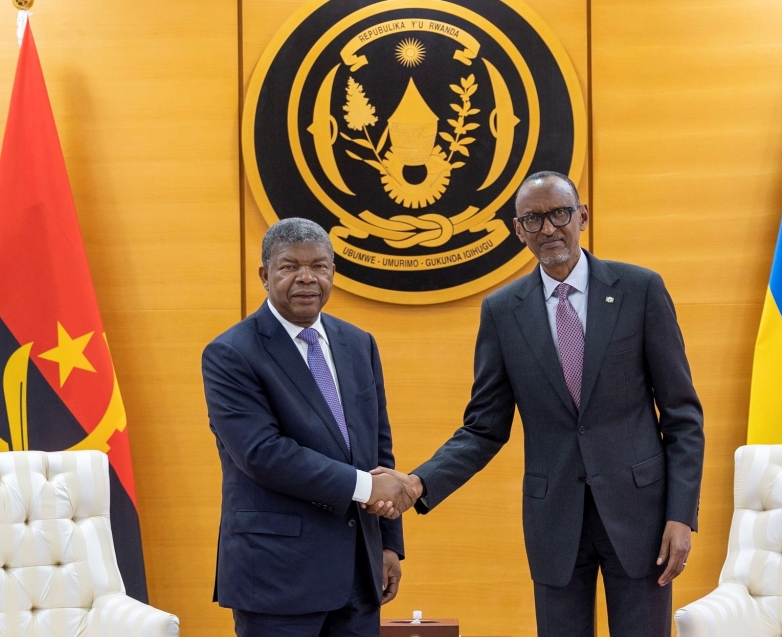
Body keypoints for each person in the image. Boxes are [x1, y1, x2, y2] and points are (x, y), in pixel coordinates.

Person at [378, 171, 704, 637]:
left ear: (582, 217)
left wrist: (681, 515)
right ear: (518, 230)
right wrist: (416, 483)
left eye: (559, 214)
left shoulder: (640, 290)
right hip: (554, 521)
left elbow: (683, 416)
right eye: (533, 219)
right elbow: (483, 428)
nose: (549, 229)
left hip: (641, 518)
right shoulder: (502, 311)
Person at [202, 218, 415, 637]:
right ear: (265, 275)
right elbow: (264, 454)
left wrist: (388, 543)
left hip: (358, 573)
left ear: (333, 271)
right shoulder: (230, 354)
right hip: (276, 578)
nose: (306, 278)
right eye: (289, 267)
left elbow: (378, 449)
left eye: (319, 266)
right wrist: (369, 489)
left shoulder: (359, 343)